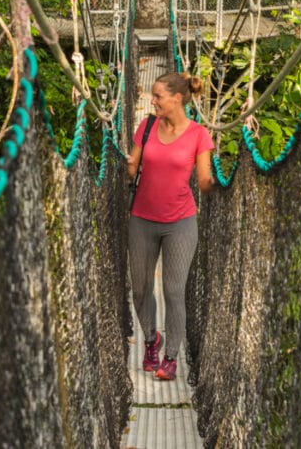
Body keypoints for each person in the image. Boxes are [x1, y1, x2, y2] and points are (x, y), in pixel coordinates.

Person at [127, 73, 215, 381]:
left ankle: (171, 358)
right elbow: (132, 166)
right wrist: (124, 164)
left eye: (158, 96)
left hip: (180, 222)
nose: (153, 101)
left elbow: (203, 179)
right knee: (139, 289)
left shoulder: (199, 135)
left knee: (174, 291)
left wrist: (212, 183)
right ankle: (152, 340)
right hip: (142, 218)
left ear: (176, 99)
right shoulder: (147, 127)